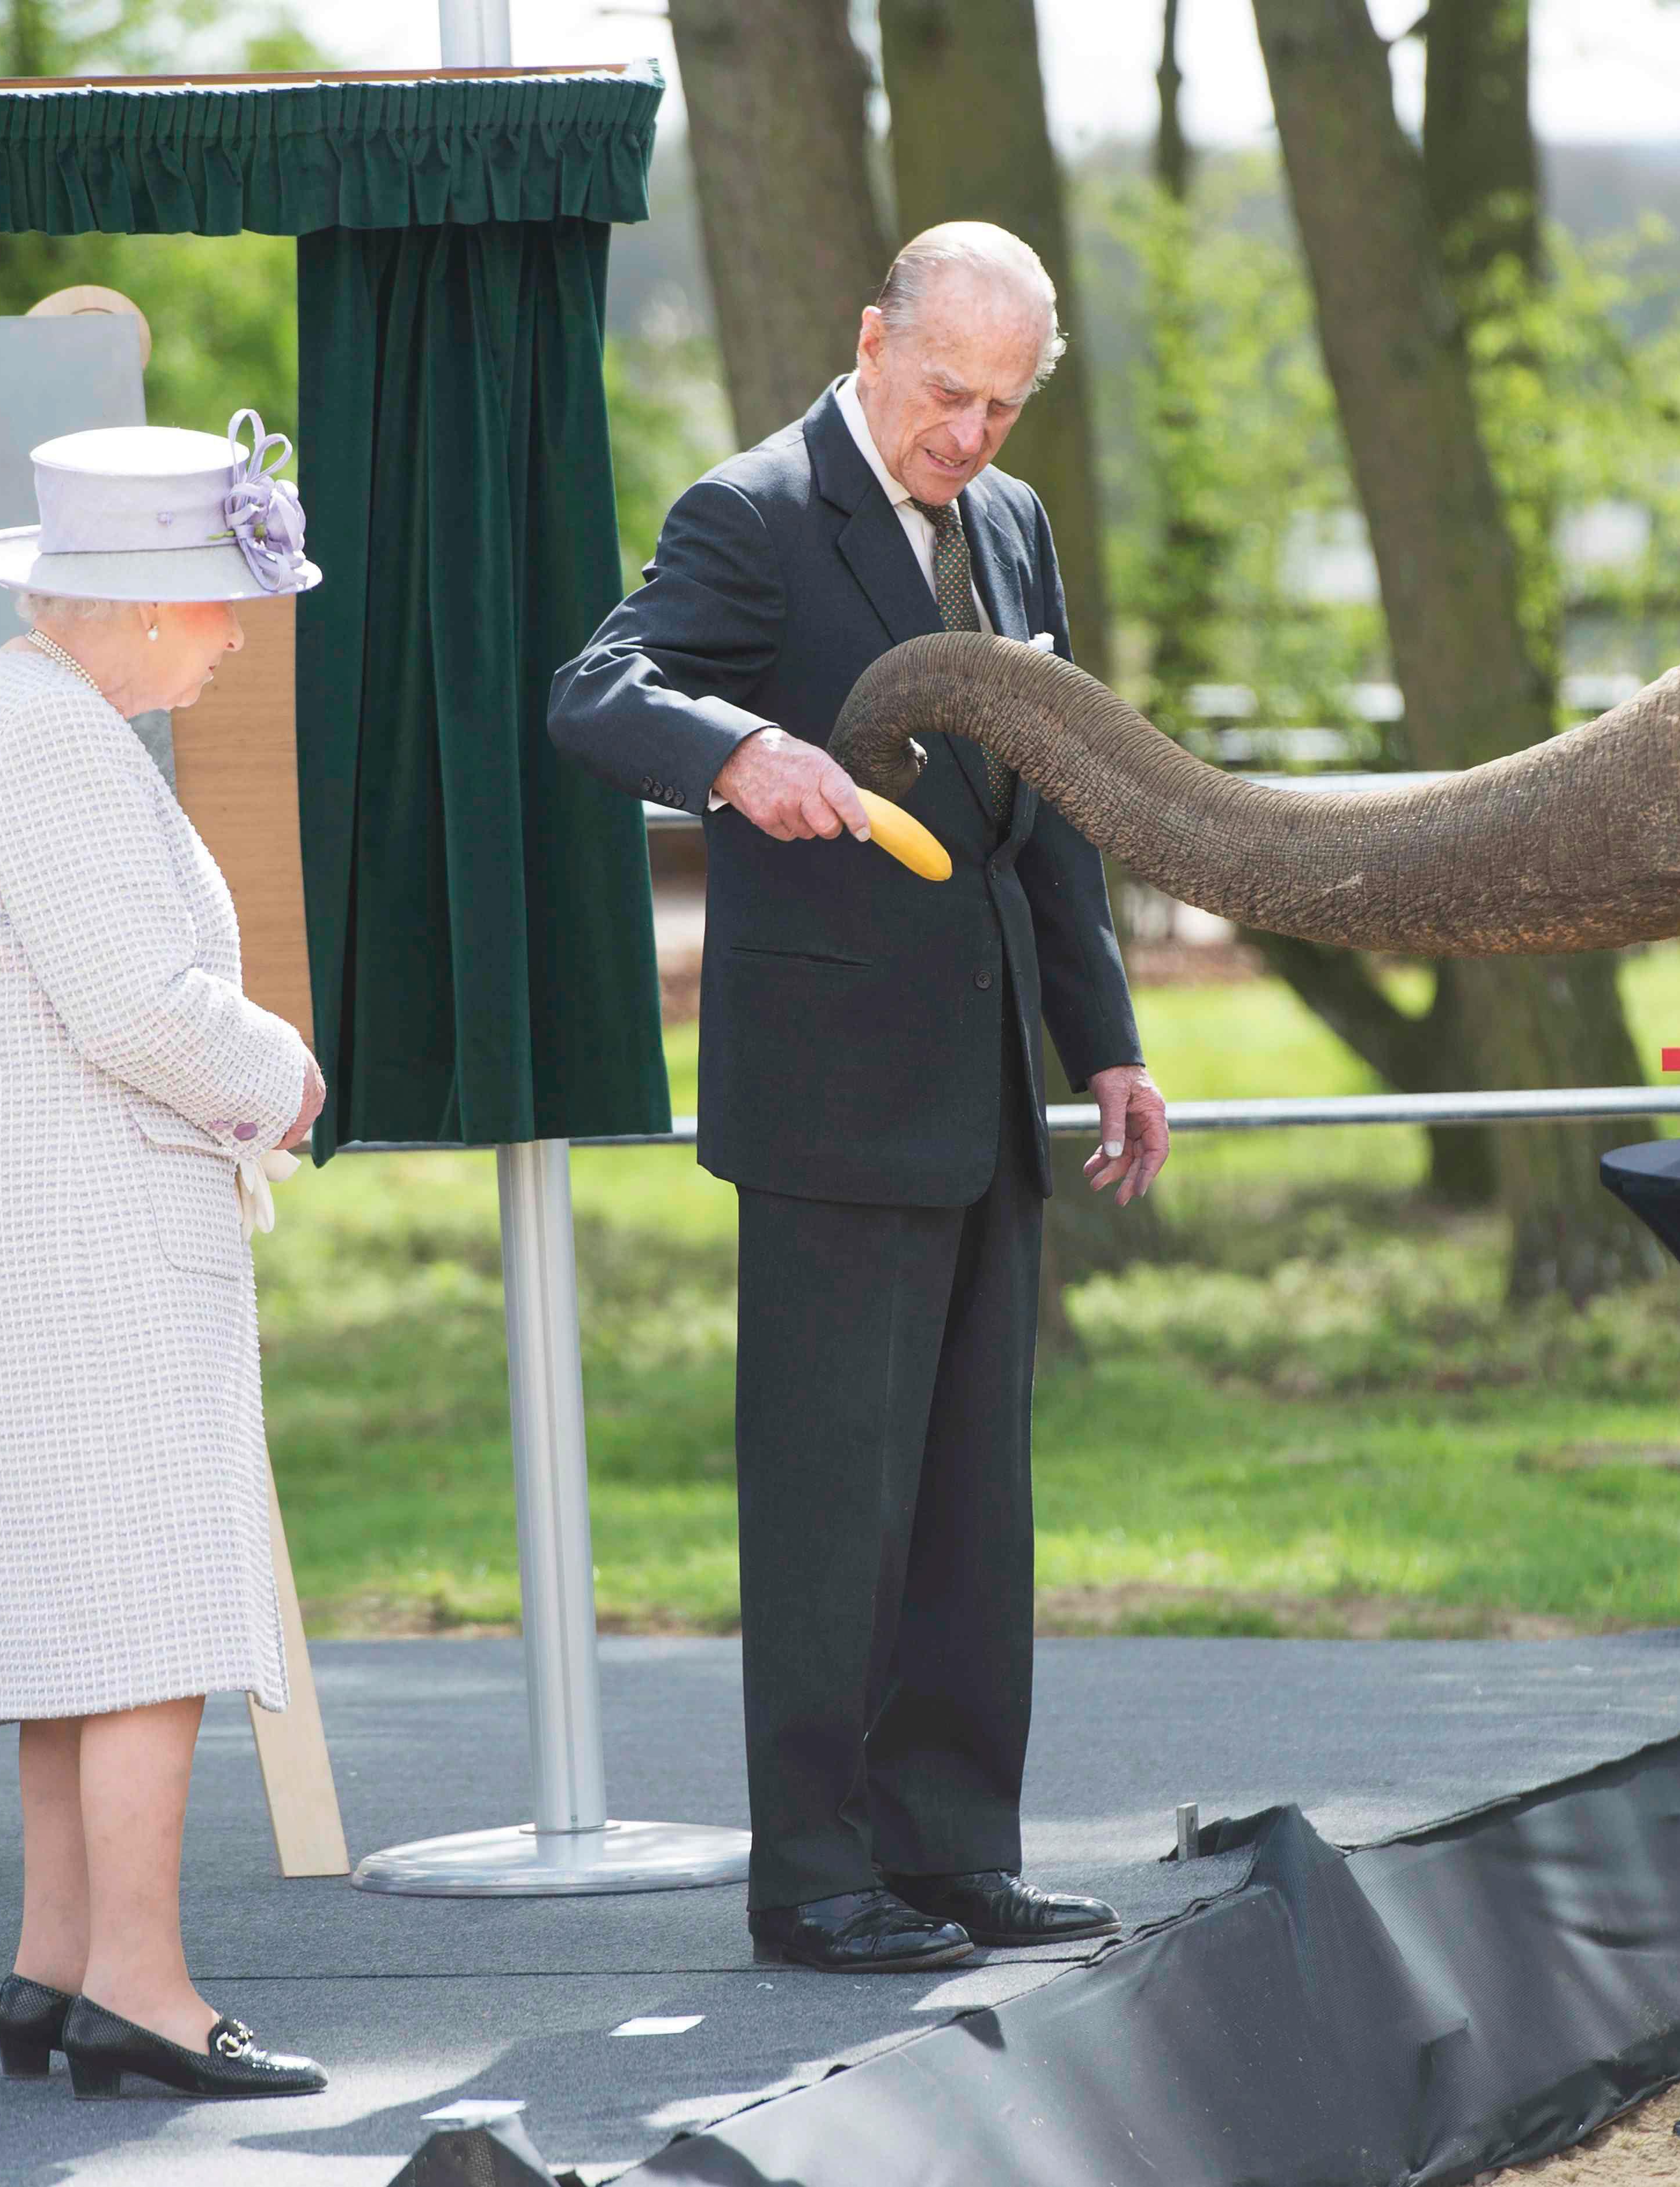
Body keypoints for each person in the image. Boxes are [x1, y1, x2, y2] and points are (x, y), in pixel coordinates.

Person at [549, 223, 1173, 1974]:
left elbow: (1039, 799)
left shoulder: (1014, 522)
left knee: (978, 1501)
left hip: (984, 1095)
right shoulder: (751, 513)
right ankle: (815, 1874)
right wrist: (739, 756)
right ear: (870, 335)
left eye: (1005, 403)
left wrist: (1103, 1040)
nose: (971, 435)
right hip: (829, 1101)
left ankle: (958, 1848)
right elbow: (596, 690)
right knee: (836, 1509)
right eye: (947, 393)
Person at [0, 417, 329, 2098]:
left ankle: (57, 1957)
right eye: (225, 601)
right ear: (143, 603)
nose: (235, 632)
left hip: (17, 1234)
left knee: (80, 1608)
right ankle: (139, 1982)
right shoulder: (55, 742)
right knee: (146, 1612)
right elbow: (136, 1003)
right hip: (87, 1238)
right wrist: (289, 1076)